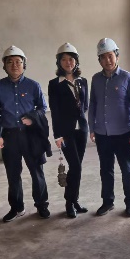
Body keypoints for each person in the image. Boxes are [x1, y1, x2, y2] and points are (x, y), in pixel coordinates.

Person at [0, 45, 51, 222]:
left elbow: (43, 107)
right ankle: (17, 207)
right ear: (4, 65)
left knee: (36, 172)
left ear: (24, 64)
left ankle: (42, 205)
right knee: (13, 174)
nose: (15, 65)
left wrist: (33, 118)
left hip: (31, 135)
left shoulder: (33, 85)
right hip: (9, 136)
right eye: (10, 62)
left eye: (18, 61)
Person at [88, 38, 130, 217]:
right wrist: (92, 127)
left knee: (127, 169)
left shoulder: (127, 78)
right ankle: (107, 202)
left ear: (117, 56)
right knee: (106, 169)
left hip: (123, 133)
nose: (107, 60)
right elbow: (93, 104)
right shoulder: (96, 79)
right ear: (99, 60)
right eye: (103, 57)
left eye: (110, 56)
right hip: (102, 134)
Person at [48, 43, 89, 218]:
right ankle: (69, 203)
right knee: (76, 166)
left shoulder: (83, 81)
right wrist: (57, 135)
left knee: (76, 167)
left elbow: (85, 105)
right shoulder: (54, 84)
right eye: (64, 59)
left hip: (82, 130)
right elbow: (55, 111)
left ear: (76, 61)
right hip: (66, 132)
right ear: (59, 62)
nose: (68, 62)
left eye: (71, 59)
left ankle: (74, 200)